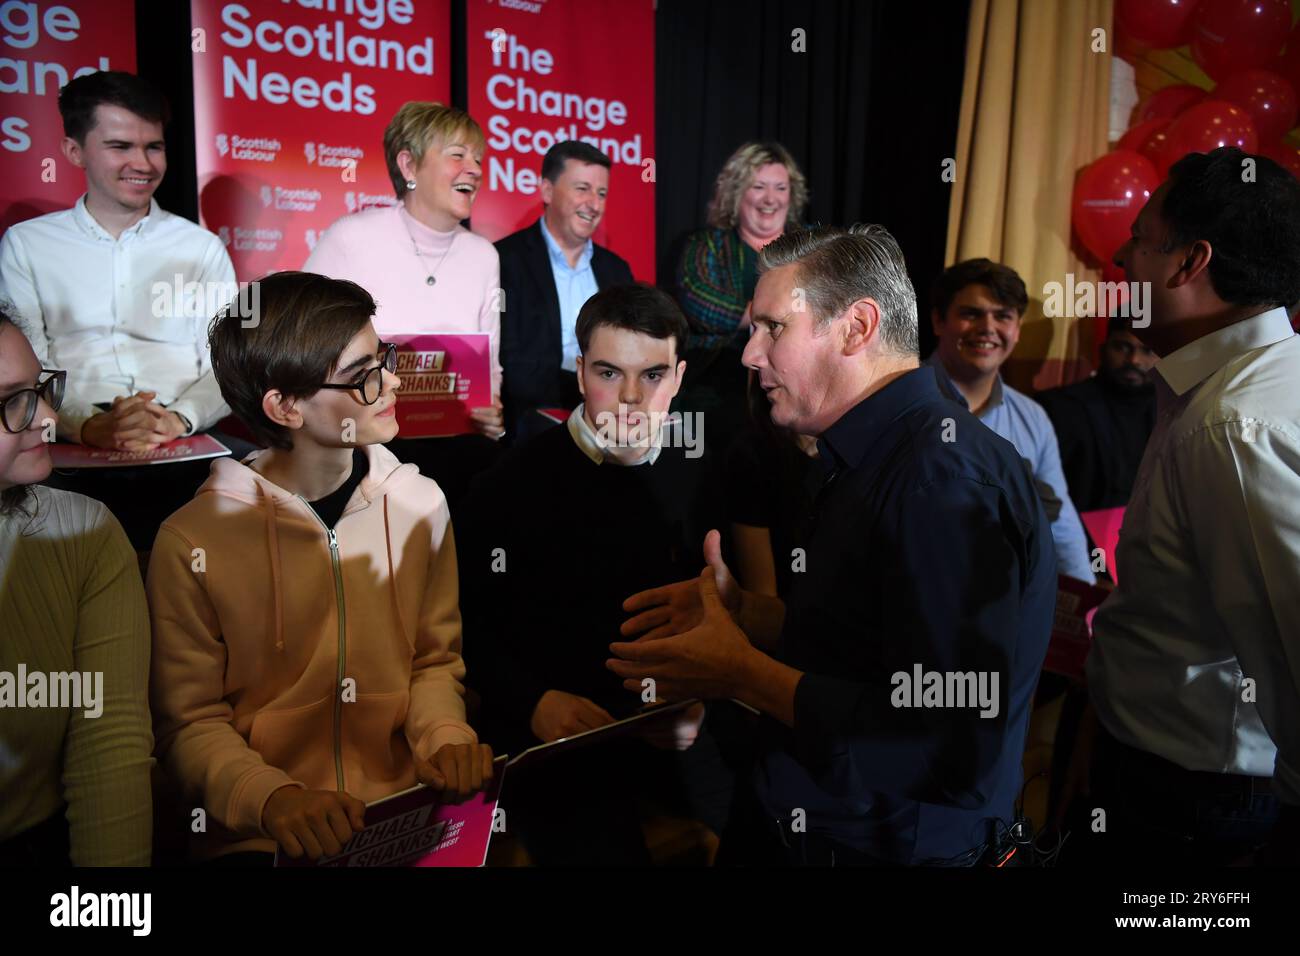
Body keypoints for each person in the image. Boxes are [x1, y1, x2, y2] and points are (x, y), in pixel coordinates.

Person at [611, 226, 1056, 866]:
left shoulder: (940, 480)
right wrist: (751, 616)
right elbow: (875, 646)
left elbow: (948, 744)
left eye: (773, 329)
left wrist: (738, 670)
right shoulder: (871, 452)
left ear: (855, 328)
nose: (749, 354)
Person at [147, 272, 493, 864]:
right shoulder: (190, 541)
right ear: (284, 407)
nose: (392, 382)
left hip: (401, 816)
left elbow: (433, 664)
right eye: (362, 377)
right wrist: (274, 798)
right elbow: (188, 725)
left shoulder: (421, 503)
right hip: (262, 837)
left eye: (382, 358)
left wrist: (446, 738)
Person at [456, 284, 731, 865]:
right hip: (558, 739)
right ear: (580, 372)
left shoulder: (709, 468)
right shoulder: (509, 485)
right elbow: (463, 627)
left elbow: (737, 612)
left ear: (679, 377)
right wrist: (533, 700)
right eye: (610, 373)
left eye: (652, 376)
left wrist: (703, 702)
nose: (631, 398)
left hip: (683, 727)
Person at [1078, 147, 1300, 865]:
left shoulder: (1232, 427)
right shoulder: (1237, 386)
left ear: (1188, 263)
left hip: (1193, 808)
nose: (1117, 253)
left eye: (1140, 238)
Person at [0, 70, 240, 550]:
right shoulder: (27, 244)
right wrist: (87, 425)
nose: (142, 163)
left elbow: (229, 360)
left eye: (153, 146)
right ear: (74, 151)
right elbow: (28, 369)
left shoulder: (203, 248)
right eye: (120, 146)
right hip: (62, 449)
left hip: (183, 442)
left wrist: (177, 420)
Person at [0, 307, 153, 866]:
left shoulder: (86, 531)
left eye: (41, 388)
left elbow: (108, 750)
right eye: (11, 400)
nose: (45, 418)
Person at [305, 101, 504, 506]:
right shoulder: (352, 237)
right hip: (365, 453)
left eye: (478, 158)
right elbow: (304, 342)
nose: (475, 168)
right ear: (409, 167)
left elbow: (491, 364)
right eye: (457, 155)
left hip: (460, 451)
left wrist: (492, 412)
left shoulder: (484, 254)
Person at [926, 259, 1096, 583]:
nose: (987, 328)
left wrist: (1085, 603)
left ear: (1016, 330)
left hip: (995, 610)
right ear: (938, 320)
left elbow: (1058, 524)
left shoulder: (1033, 419)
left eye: (1002, 316)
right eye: (971, 314)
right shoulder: (896, 397)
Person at [495, 141, 634, 441]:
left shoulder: (617, 271)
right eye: (582, 189)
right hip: (530, 432)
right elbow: (509, 361)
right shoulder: (504, 261)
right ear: (547, 191)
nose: (594, 205)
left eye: (601, 194)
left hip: (610, 430)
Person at [674, 142, 809, 440]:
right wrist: (782, 313)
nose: (770, 199)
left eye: (780, 188)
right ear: (737, 193)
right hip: (715, 388)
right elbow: (703, 306)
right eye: (758, 186)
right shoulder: (709, 244)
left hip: (797, 389)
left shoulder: (811, 247)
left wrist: (755, 315)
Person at [1035, 316, 1157, 513]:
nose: (1134, 360)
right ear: (1103, 350)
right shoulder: (1060, 408)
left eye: (1147, 350)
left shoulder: (1175, 412)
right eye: (1122, 347)